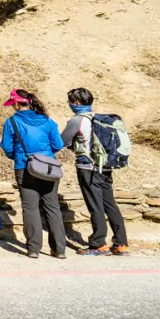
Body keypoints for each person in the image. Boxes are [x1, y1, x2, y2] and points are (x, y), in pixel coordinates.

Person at [0, 89, 66, 260]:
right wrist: (44, 155)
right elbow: (58, 144)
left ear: (16, 103)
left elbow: (7, 147)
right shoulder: (47, 120)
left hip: (25, 166)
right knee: (52, 207)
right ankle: (59, 249)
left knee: (30, 207)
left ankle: (33, 249)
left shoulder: (12, 121)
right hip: (49, 167)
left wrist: (19, 156)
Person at [62, 88, 129, 256]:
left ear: (76, 103)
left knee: (95, 206)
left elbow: (62, 141)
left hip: (88, 168)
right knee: (110, 205)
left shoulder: (77, 120)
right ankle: (121, 244)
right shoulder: (100, 119)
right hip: (105, 167)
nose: (69, 104)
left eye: (70, 101)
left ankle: (98, 243)